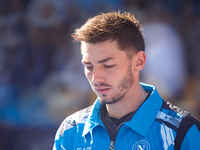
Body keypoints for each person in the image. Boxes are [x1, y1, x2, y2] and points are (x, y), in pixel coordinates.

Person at [53, 11, 200, 150]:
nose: (96, 78)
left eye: (108, 65)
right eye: (89, 67)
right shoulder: (69, 130)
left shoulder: (183, 131)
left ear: (138, 61)